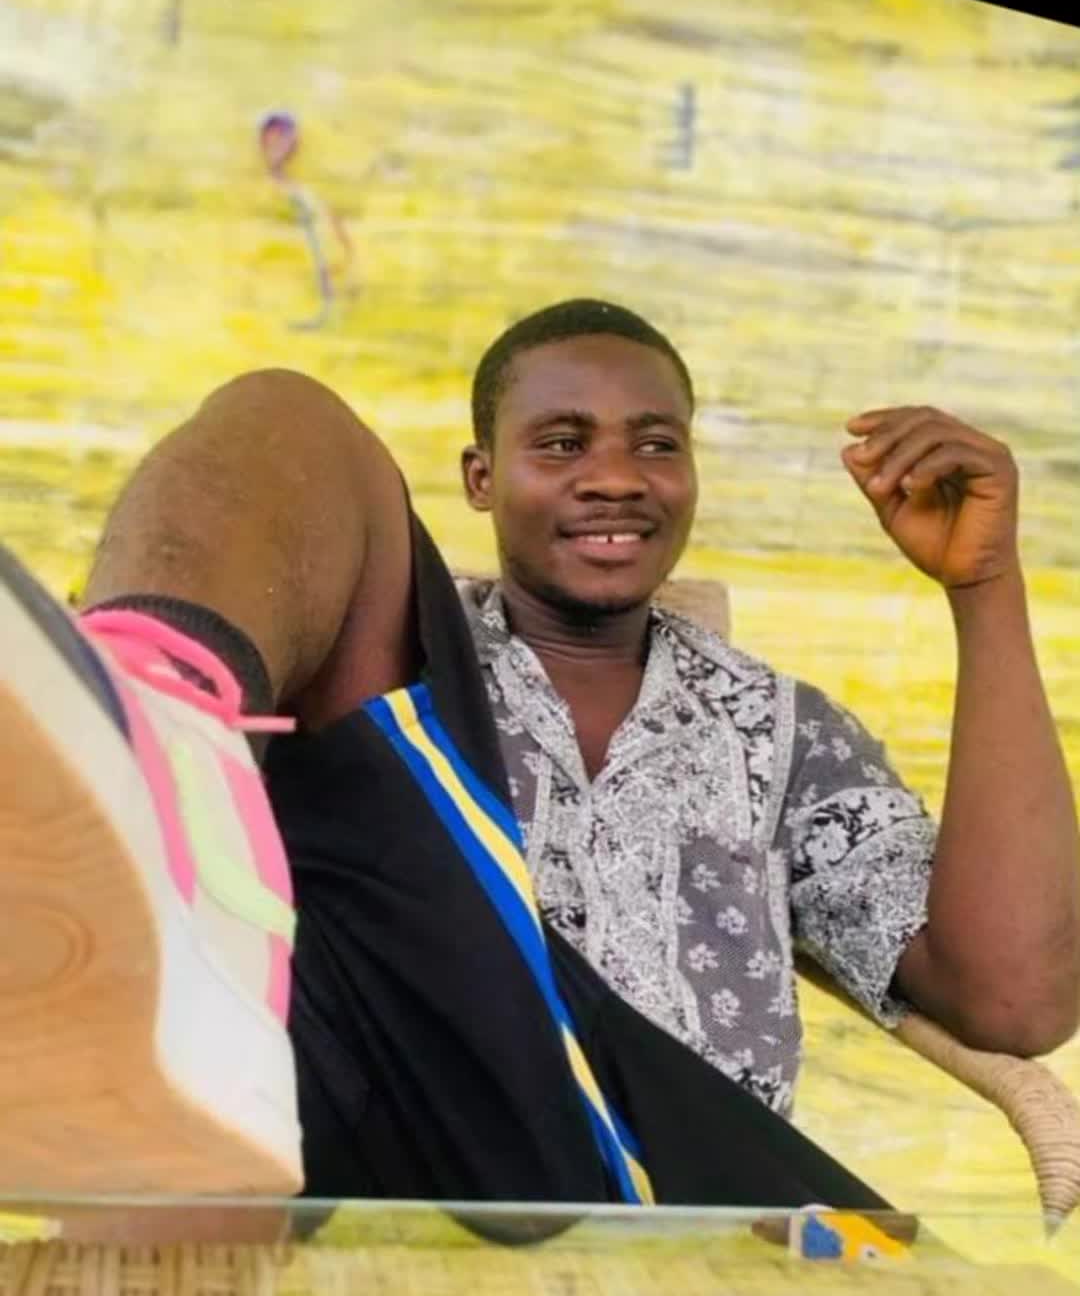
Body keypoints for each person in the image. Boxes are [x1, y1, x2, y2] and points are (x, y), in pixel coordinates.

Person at [1, 300, 1077, 1209]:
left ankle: (135, 839)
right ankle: (131, 829)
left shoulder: (782, 731)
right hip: (409, 1130)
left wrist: (983, 589)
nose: (615, 477)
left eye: (656, 445)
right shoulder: (396, 661)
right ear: (481, 479)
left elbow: (1017, 1001)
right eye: (562, 443)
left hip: (683, 1195)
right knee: (287, 417)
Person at [257, 109, 354, 331]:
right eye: (272, 140)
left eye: (284, 140)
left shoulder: (302, 190)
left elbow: (326, 229)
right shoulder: (269, 190)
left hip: (306, 284)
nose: (277, 147)